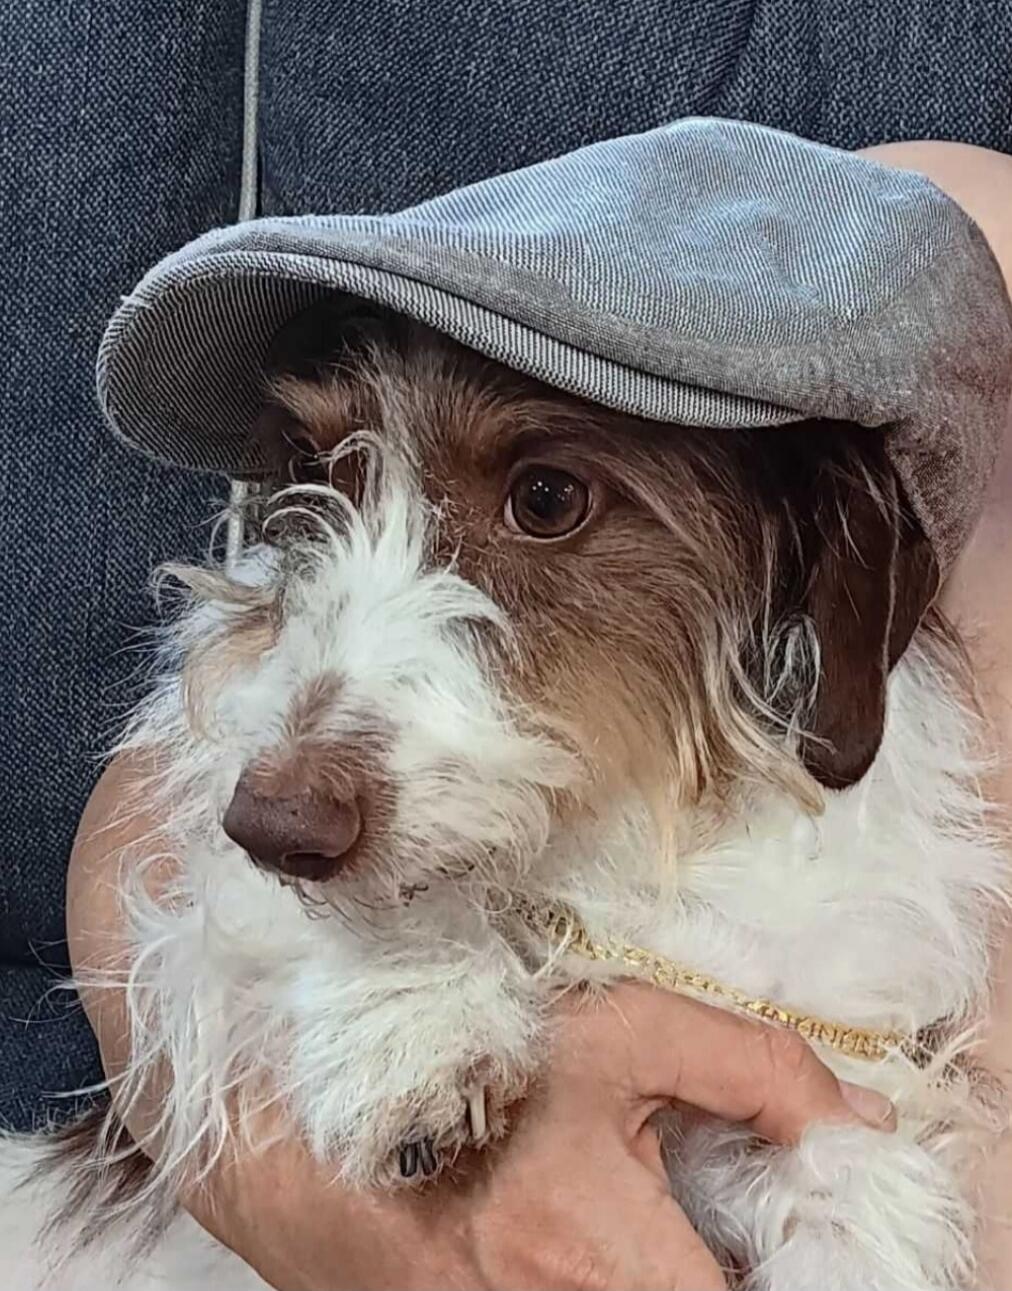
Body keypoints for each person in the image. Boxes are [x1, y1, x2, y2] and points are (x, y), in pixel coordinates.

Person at [67, 139, 1012, 1290]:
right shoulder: (901, 249)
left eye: (545, 499)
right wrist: (345, 1200)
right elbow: (155, 831)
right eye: (335, 473)